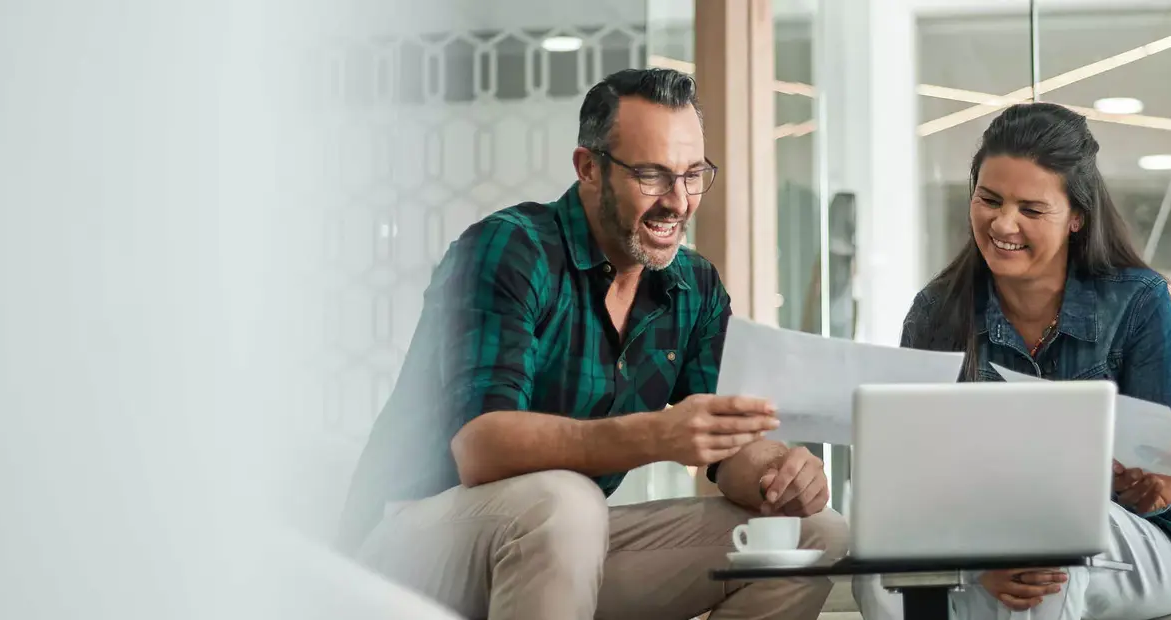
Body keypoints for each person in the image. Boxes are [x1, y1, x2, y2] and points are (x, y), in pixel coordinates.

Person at [335, 68, 848, 620]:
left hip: (555, 540)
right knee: (567, 501)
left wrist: (780, 471)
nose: (678, 202)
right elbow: (481, 449)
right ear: (589, 169)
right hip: (410, 542)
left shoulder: (692, 287)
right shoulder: (510, 248)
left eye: (693, 174)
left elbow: (730, 444)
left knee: (813, 532)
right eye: (652, 175)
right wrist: (658, 434)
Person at [854, 103, 1171, 620]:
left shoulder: (1137, 300)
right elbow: (916, 475)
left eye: (1031, 209)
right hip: (983, 532)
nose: (1003, 223)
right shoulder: (937, 311)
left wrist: (1147, 477)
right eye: (989, 199)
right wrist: (978, 556)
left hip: (1150, 541)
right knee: (877, 575)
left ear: (1076, 216)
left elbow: (1162, 466)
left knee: (1042, 544)